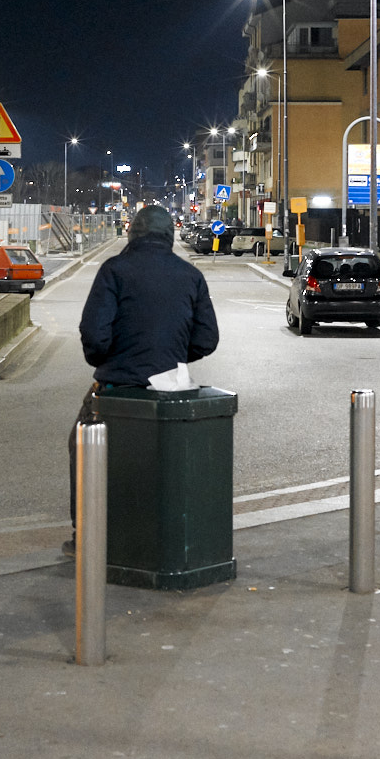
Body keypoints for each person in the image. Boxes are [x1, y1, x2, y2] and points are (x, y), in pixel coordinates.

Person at [66, 204, 219, 553]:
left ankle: (86, 535)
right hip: (169, 389)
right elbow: (207, 338)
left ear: (133, 232)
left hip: (116, 387)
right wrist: (173, 355)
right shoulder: (190, 275)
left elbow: (94, 332)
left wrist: (106, 360)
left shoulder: (114, 270)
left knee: (82, 447)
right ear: (169, 235)